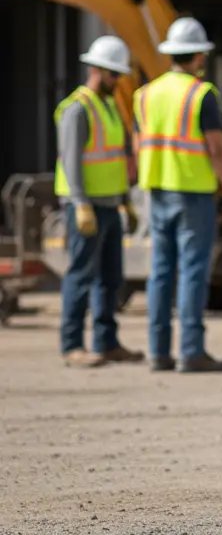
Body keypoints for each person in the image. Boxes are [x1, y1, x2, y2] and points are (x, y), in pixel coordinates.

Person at [134, 17, 222, 373]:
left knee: (160, 272)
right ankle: (191, 351)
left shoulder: (145, 95)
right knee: (193, 271)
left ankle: (158, 351)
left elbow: (138, 145)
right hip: (193, 193)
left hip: (157, 191)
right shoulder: (201, 94)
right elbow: (218, 150)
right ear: (198, 56)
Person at [55, 35, 143, 369]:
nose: (117, 80)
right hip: (86, 207)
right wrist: (80, 203)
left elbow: (115, 159)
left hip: (109, 205)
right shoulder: (77, 109)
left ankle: (107, 343)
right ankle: (72, 345)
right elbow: (71, 161)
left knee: (110, 278)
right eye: (113, 74)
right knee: (80, 276)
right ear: (96, 70)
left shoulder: (108, 106)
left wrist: (126, 202)